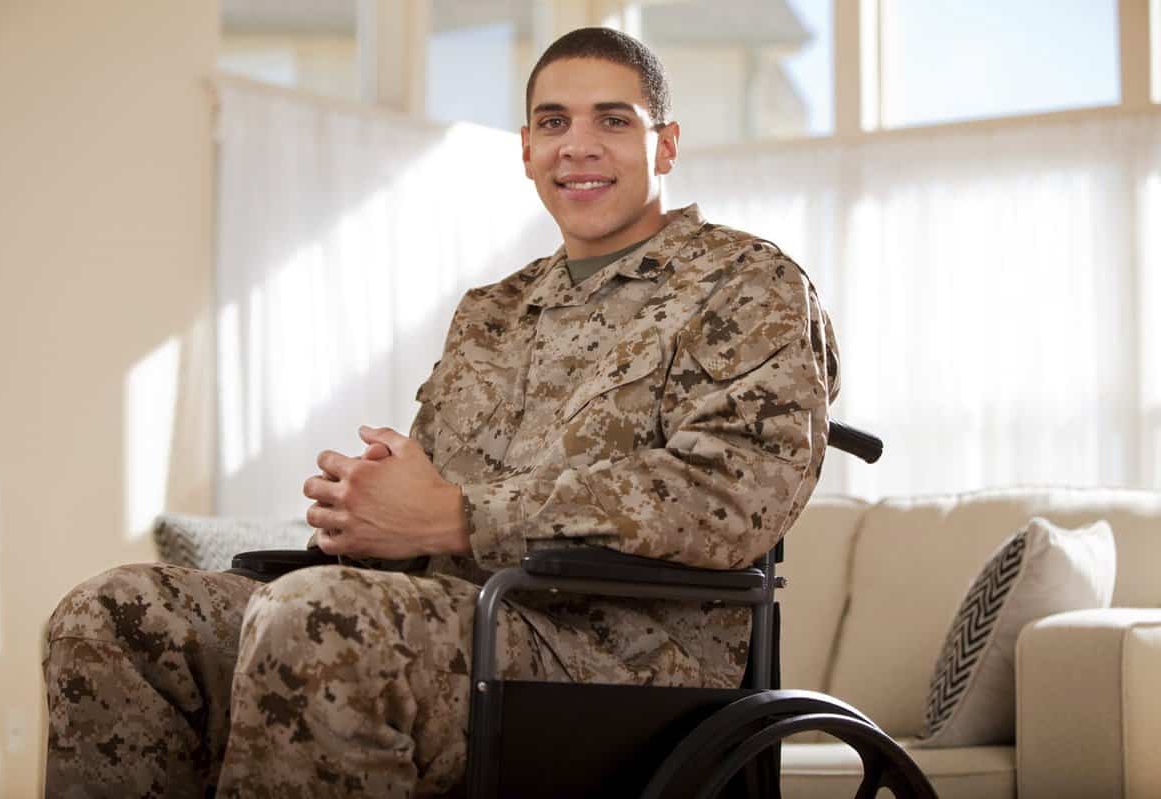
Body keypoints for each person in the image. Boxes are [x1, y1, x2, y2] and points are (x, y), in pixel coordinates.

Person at [43, 26, 839, 799]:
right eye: (554, 122)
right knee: (113, 613)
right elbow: (428, 508)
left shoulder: (748, 283)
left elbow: (728, 498)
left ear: (664, 145)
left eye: (614, 120)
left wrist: (461, 517)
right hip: (457, 618)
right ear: (526, 149)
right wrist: (369, 515)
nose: (579, 145)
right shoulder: (493, 311)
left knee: (316, 618)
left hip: (622, 658)